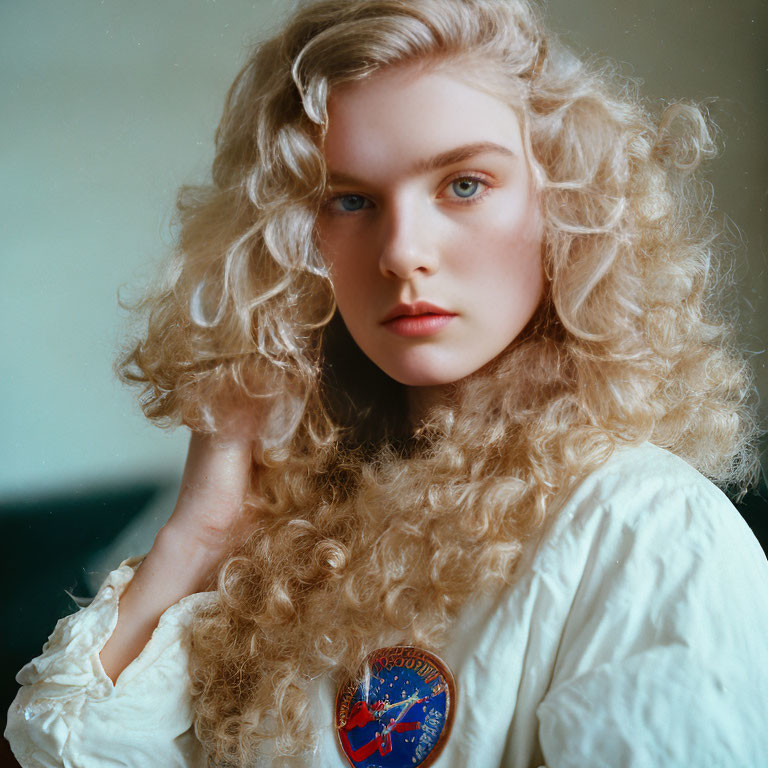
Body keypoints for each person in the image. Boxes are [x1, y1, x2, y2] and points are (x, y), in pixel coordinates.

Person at [6, 0, 768, 766]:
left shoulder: (649, 532)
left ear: (568, 206)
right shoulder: (277, 534)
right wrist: (202, 528)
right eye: (351, 201)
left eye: (464, 185)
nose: (403, 252)